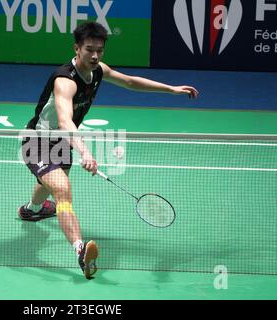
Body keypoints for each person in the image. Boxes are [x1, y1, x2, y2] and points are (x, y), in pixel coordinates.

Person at [18, 21, 199, 279]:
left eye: (99, 50)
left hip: (60, 142)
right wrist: (85, 152)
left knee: (49, 183)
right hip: (37, 141)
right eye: (89, 49)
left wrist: (169, 89)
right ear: (76, 48)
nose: (95, 56)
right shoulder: (65, 81)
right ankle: (80, 251)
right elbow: (65, 121)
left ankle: (31, 210)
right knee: (62, 190)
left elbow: (130, 82)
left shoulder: (98, 71)